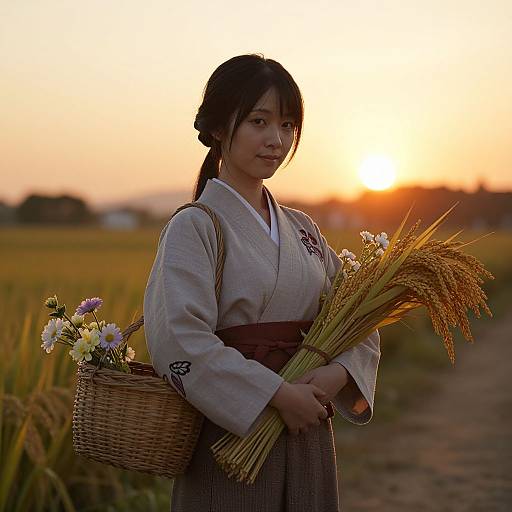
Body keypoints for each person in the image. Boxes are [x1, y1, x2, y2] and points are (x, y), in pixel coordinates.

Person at [143, 53, 380, 512]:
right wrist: (273, 393)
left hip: (308, 422)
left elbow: (358, 311)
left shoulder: (304, 230)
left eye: (288, 125)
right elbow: (177, 337)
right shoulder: (195, 226)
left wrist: (338, 373)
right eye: (259, 121)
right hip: (231, 433)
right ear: (217, 128)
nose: (276, 140)